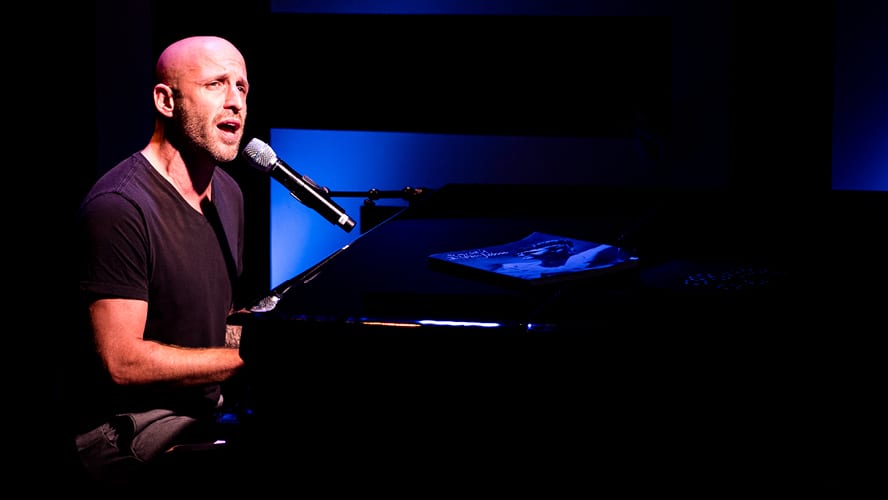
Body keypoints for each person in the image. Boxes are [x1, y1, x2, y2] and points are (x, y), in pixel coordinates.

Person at [64, 35, 252, 490]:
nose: (234, 102)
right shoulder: (120, 206)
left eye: (242, 87)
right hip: (128, 428)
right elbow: (121, 361)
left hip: (207, 410)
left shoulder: (228, 194)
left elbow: (223, 321)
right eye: (215, 84)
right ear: (166, 100)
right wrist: (243, 361)